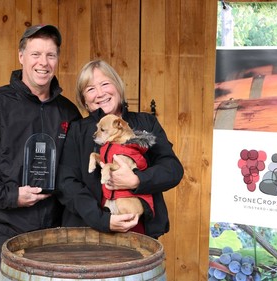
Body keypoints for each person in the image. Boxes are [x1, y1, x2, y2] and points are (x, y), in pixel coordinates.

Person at [0, 24, 82, 281]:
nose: (43, 63)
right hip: (6, 227)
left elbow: (77, 169)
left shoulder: (68, 112)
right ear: (21, 56)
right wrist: (11, 195)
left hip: (55, 232)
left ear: (57, 59)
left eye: (50, 55)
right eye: (36, 54)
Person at [57, 59, 184, 238]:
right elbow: (67, 183)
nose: (100, 93)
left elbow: (172, 169)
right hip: (87, 234)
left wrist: (137, 180)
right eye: (90, 89)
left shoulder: (146, 123)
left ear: (118, 87)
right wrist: (102, 219)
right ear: (85, 100)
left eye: (105, 84)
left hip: (139, 232)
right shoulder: (77, 130)